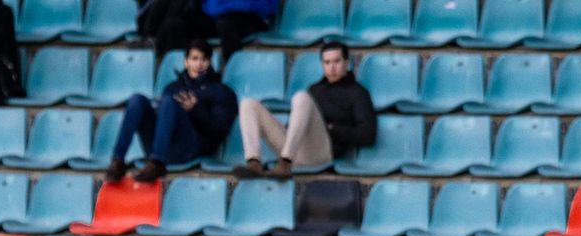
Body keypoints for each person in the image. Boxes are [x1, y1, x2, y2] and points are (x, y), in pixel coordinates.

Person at [233, 40, 377, 180]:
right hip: (295, 148)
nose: (332, 67)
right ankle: (253, 162)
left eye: (337, 61)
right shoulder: (315, 89)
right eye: (327, 62)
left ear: (346, 62)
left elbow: (367, 135)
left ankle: (285, 162)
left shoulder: (358, 93)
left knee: (301, 97)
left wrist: (332, 128)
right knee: (248, 104)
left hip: (322, 151)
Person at [106, 41, 237, 185]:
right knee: (137, 100)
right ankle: (117, 161)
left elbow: (219, 130)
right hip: (161, 145)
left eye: (204, 59)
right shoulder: (172, 88)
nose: (199, 64)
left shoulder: (220, 91)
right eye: (194, 59)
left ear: (210, 62)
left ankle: (157, 162)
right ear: (185, 62)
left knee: (168, 101)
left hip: (191, 149)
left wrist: (196, 110)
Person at [140, 0, 280, 73]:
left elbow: (268, 6)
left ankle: (233, 73)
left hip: (252, 18)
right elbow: (211, 7)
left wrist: (228, 6)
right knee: (175, 24)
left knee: (226, 25)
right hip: (219, 15)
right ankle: (185, 74)